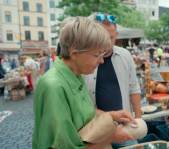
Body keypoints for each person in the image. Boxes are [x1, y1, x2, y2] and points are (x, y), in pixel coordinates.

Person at [33, 17, 135, 149]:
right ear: (75, 53)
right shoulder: (54, 86)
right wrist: (112, 137)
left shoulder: (76, 74)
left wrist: (112, 115)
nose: (101, 61)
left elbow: (84, 113)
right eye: (97, 55)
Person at [86, 13, 142, 148]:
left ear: (116, 35)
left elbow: (134, 88)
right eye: (102, 37)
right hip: (96, 128)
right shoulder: (85, 59)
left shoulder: (125, 55)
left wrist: (139, 120)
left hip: (125, 126)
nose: (106, 42)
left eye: (110, 37)